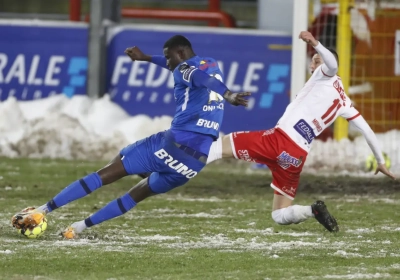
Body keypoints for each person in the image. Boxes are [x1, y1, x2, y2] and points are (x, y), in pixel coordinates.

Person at [11, 35, 250, 238]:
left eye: (168, 57)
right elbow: (198, 74)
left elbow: (195, 76)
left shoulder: (186, 70)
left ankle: (42, 210)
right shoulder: (211, 64)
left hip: (173, 144)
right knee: (137, 194)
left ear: (180, 52)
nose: (167, 62)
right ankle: (76, 229)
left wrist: (228, 95)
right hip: (194, 162)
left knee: (108, 171)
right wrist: (146, 58)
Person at [204, 31, 396, 232]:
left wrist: (315, 43)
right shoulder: (345, 103)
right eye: (312, 61)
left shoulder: (325, 74)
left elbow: (332, 65)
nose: (312, 66)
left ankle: (179, 170)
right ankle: (312, 210)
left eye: (316, 60)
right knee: (279, 215)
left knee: (220, 146)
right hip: (296, 156)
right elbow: (367, 130)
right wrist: (380, 161)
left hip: (279, 141)